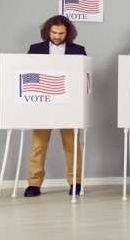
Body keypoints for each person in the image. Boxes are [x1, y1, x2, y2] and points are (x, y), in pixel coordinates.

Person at [23, 15, 87, 198]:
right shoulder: (35, 49)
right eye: (54, 32)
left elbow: (83, 78)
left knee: (72, 145)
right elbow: (28, 75)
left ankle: (76, 183)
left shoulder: (78, 50)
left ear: (68, 33)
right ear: (47, 31)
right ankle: (33, 184)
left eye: (61, 33)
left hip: (69, 105)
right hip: (42, 104)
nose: (57, 36)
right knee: (38, 146)